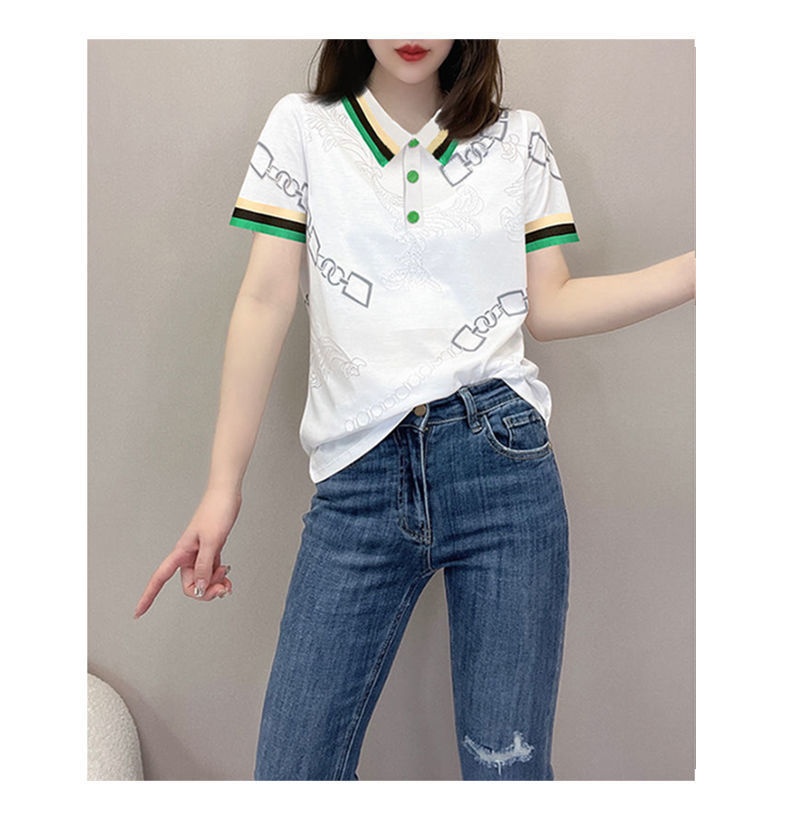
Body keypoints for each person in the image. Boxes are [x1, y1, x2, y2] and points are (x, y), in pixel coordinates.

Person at [134, 40, 695, 780]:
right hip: (357, 476)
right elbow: (265, 300)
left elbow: (551, 305)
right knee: (293, 775)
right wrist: (220, 487)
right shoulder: (304, 127)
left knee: (507, 778)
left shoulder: (517, 138)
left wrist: (703, 268)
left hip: (501, 463)